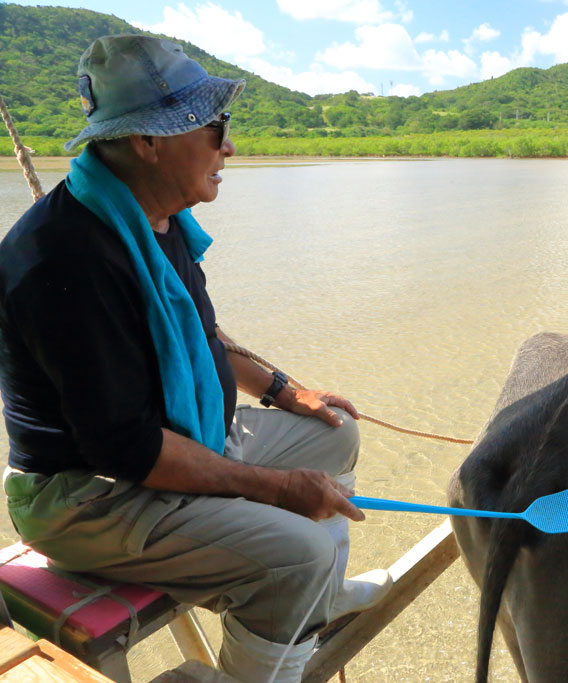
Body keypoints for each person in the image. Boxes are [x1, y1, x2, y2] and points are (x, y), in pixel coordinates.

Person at [0, 35, 391, 681]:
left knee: (333, 431)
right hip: (88, 496)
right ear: (149, 141)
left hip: (180, 439)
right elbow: (128, 449)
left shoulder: (154, 215)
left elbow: (204, 331)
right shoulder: (61, 261)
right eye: (215, 129)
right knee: (299, 553)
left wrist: (287, 391)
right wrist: (277, 488)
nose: (229, 147)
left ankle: (311, 605)